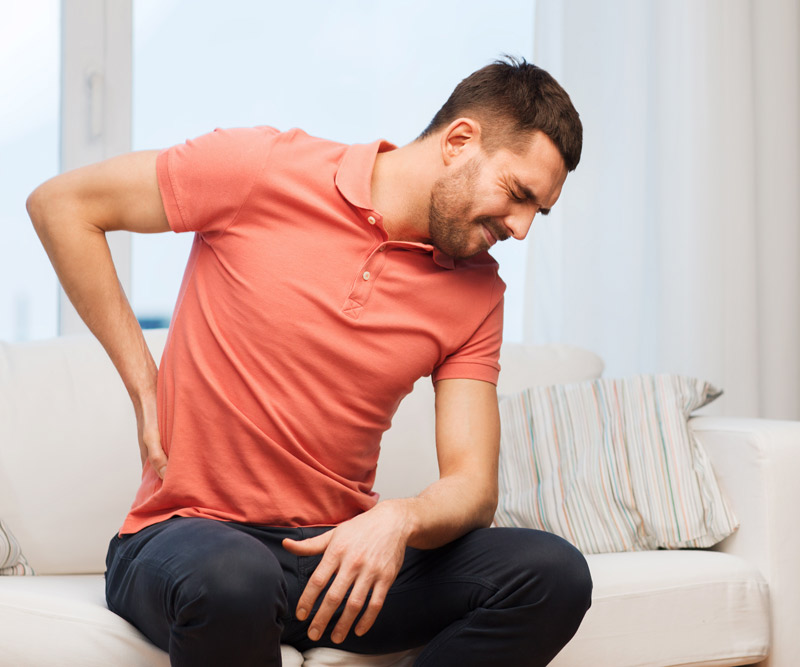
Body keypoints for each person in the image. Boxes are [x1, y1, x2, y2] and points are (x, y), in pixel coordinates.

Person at [27, 57, 592, 666]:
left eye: (540, 211)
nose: (522, 227)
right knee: (233, 576)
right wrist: (145, 385)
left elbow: (473, 488)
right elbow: (62, 206)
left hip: (332, 567)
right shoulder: (261, 169)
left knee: (552, 574)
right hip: (187, 539)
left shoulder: (478, 292)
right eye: (518, 194)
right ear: (459, 141)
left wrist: (399, 520)